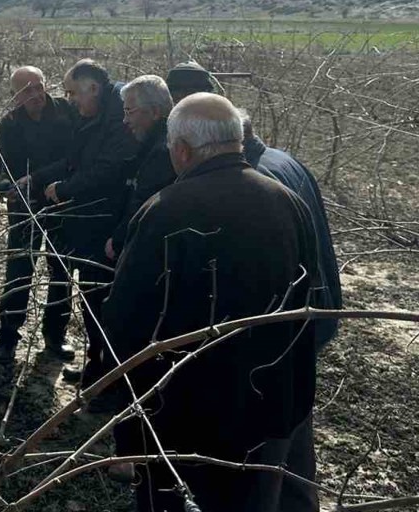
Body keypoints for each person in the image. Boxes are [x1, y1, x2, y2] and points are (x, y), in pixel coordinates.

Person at [102, 93, 318, 512]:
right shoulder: (288, 203)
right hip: (267, 411)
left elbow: (126, 321)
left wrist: (127, 424)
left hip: (182, 416)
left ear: (182, 150)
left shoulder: (165, 210)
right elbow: (305, 307)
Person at [242, 113, 343, 512]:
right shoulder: (285, 160)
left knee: (272, 436)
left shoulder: (260, 184)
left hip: (285, 327)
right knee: (297, 424)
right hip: (312, 313)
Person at [30, 59, 138, 387]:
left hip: (108, 225)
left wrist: (65, 189)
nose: (71, 100)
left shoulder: (119, 120)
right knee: (91, 298)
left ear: (93, 88)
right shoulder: (93, 115)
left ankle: (105, 376)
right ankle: (96, 367)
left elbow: (107, 170)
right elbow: (74, 161)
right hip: (91, 221)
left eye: (73, 93)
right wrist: (38, 178)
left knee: (102, 301)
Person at [0, 66, 78, 364]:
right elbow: (3, 164)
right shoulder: (10, 124)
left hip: (61, 200)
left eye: (39, 87)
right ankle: (7, 337)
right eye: (26, 90)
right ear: (14, 96)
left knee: (61, 269)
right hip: (25, 205)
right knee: (19, 269)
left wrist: (36, 179)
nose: (36, 94)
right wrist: (4, 184)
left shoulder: (66, 112)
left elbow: (74, 159)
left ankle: (55, 335)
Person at [105, 75, 175, 263]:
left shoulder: (164, 151)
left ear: (155, 112)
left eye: (129, 112)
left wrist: (119, 239)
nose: (125, 120)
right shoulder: (150, 143)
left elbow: (145, 202)